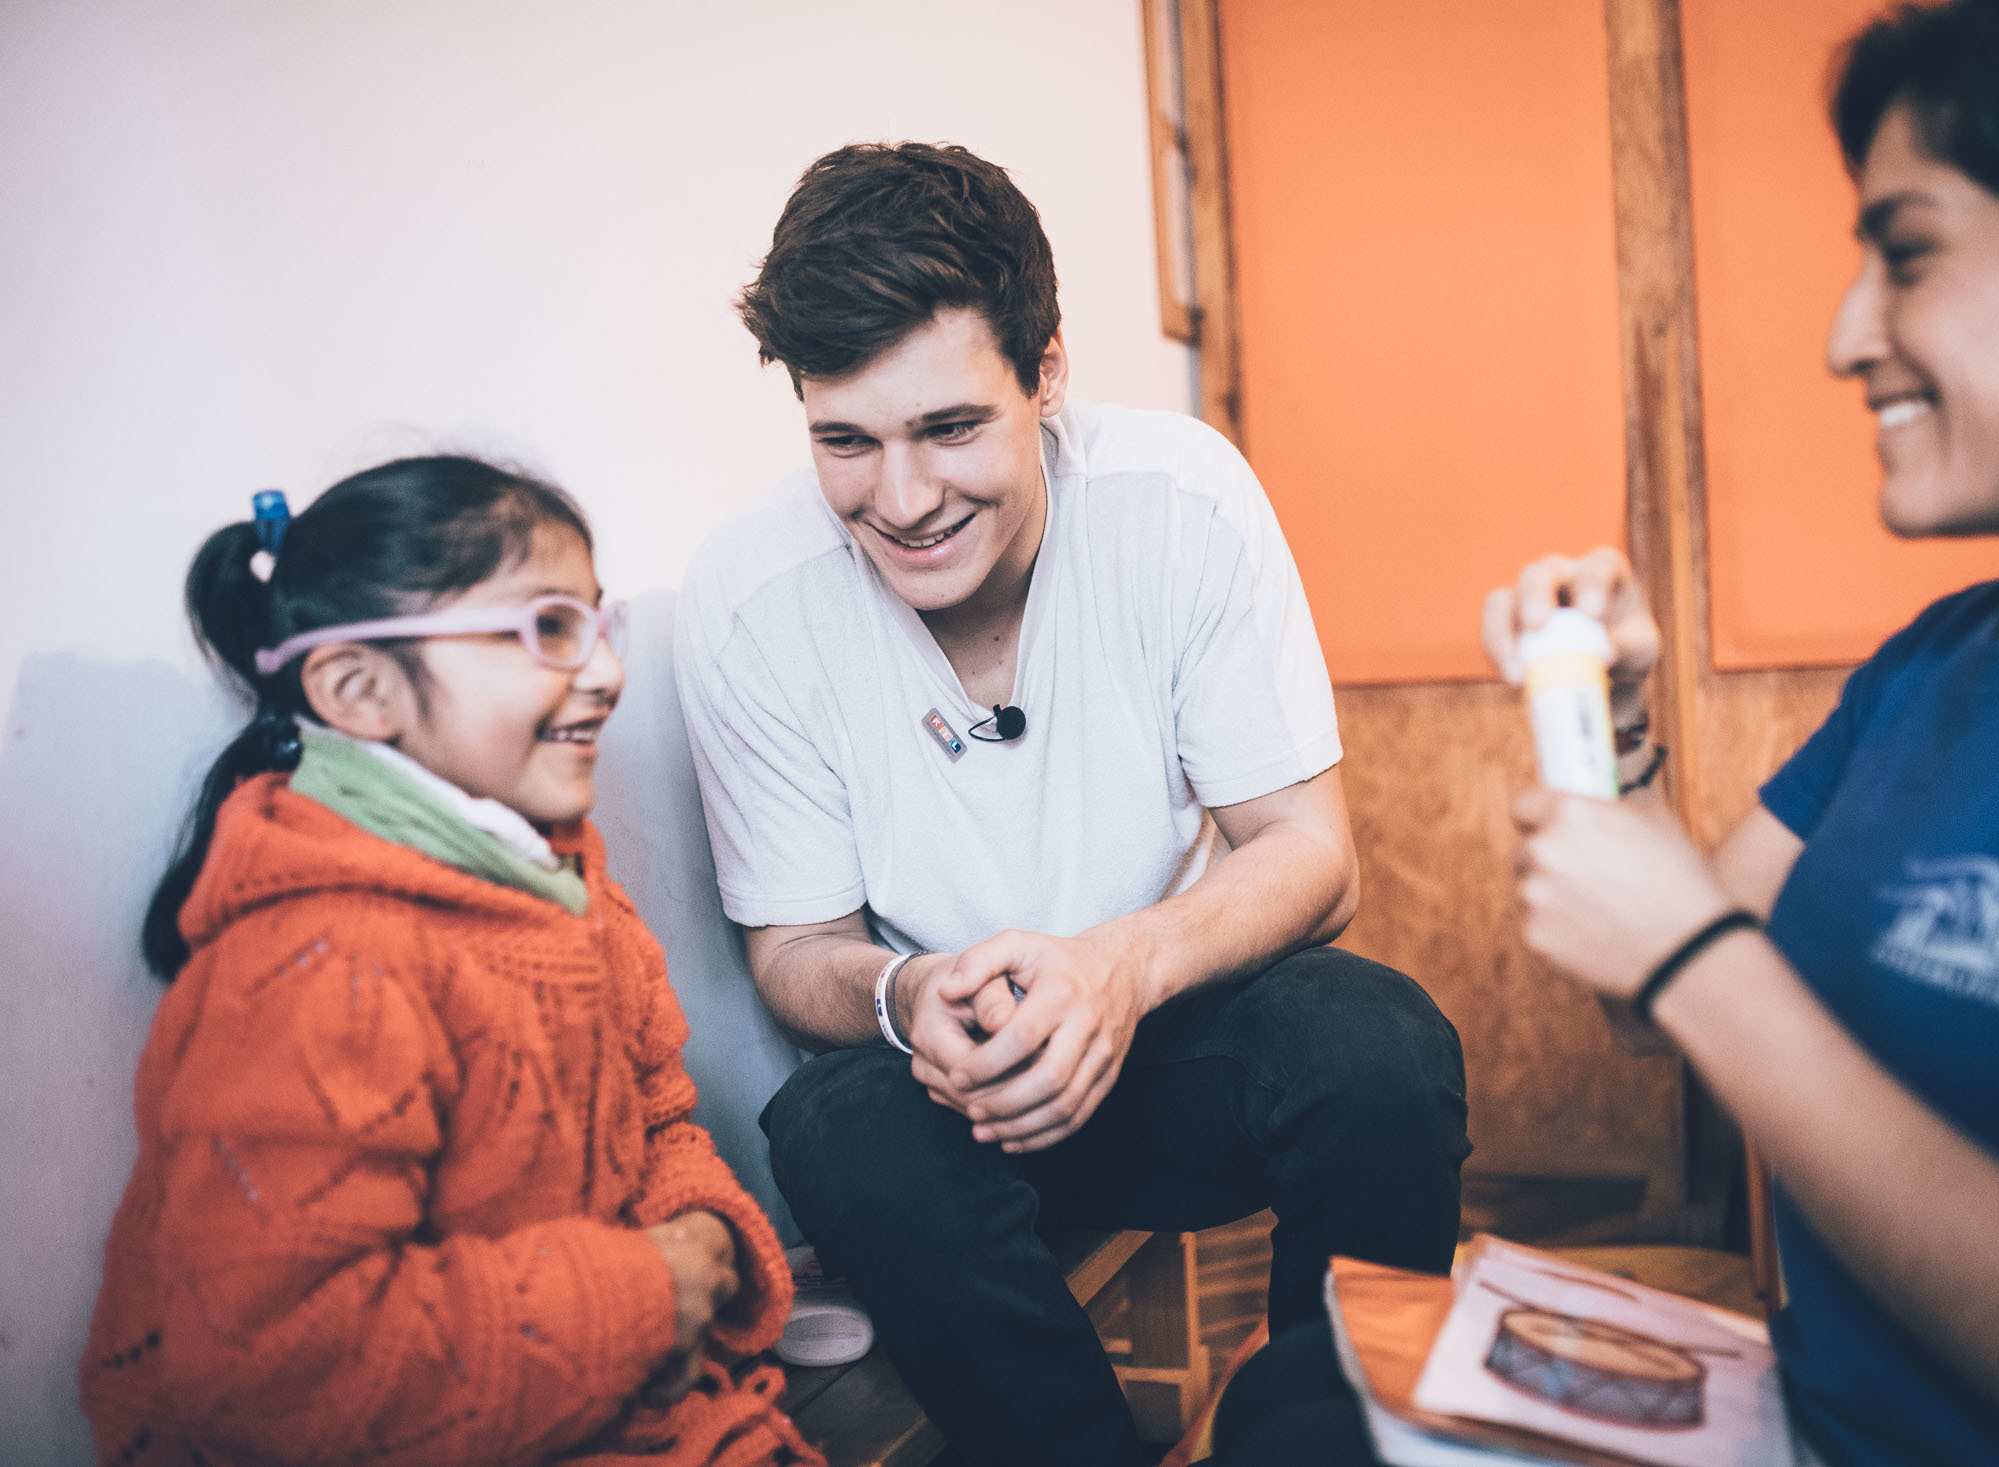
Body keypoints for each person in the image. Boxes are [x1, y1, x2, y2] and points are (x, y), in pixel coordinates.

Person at [1213, 0, 1999, 1462]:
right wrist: (1606, 733)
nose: (1843, 331)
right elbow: (1652, 1002)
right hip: (1816, 1400)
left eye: (1910, 255)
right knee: (1294, 1389)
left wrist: (1688, 949)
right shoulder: (1932, 663)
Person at [673, 142, 1470, 1466]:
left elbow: (1313, 854)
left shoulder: (1178, 498)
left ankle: (1337, 1443)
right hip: (955, 1104)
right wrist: (912, 993)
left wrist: (1116, 970)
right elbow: (794, 951)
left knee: (1376, 1039)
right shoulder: (752, 597)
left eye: (951, 428)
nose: (905, 498)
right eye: (846, 443)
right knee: (828, 1123)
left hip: (1171, 1036)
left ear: (1046, 371)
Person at [83, 457, 822, 1467]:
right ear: (356, 689)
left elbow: (655, 1115)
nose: (605, 673)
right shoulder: (319, 966)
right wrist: (646, 1291)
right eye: (546, 630)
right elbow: (277, 1366)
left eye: (600, 626)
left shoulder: (567, 881)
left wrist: (702, 1235)